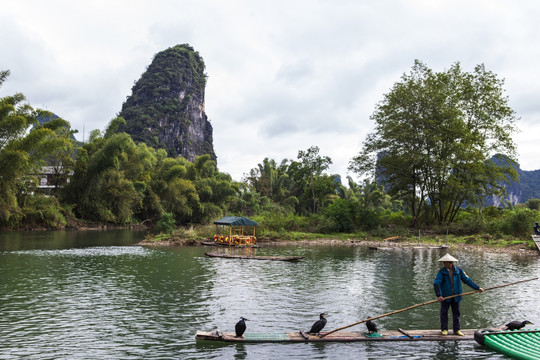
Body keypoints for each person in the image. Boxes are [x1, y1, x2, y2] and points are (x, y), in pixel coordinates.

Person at [433, 254, 484, 336]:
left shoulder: (459, 271)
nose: (445, 264)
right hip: (445, 297)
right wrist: (439, 295)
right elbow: (436, 283)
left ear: (451, 263)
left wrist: (477, 288)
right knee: (444, 313)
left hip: (457, 296)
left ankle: (457, 330)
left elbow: (467, 280)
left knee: (456, 314)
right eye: (444, 263)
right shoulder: (441, 272)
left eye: (447, 263)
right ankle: (444, 329)